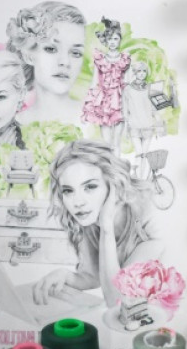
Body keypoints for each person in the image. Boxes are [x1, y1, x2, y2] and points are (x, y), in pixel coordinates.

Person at [32, 139, 161, 307]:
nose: (78, 202)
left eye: (90, 187)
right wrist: (65, 275)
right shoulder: (90, 218)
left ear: (113, 184)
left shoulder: (147, 216)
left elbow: (116, 300)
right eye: (68, 191)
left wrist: (106, 229)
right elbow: (93, 276)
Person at [6, 1, 86, 121]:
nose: (65, 62)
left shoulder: (100, 124)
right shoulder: (10, 125)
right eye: (51, 49)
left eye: (76, 53)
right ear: (28, 55)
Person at [81, 17, 130, 152]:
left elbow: (127, 82)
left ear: (120, 40)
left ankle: (117, 165)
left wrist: (129, 104)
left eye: (115, 39)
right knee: (107, 144)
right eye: (110, 39)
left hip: (120, 102)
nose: (112, 42)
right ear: (106, 41)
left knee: (117, 142)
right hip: (104, 103)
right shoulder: (100, 59)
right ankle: (109, 165)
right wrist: (90, 103)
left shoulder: (125, 59)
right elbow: (94, 81)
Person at [122, 61, 166, 179]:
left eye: (144, 71)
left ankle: (141, 179)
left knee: (144, 155)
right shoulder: (127, 89)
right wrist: (125, 128)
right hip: (134, 126)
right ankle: (138, 179)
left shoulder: (151, 88)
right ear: (134, 72)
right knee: (139, 153)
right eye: (139, 71)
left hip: (148, 126)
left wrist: (159, 125)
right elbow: (125, 110)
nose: (142, 74)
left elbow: (154, 109)